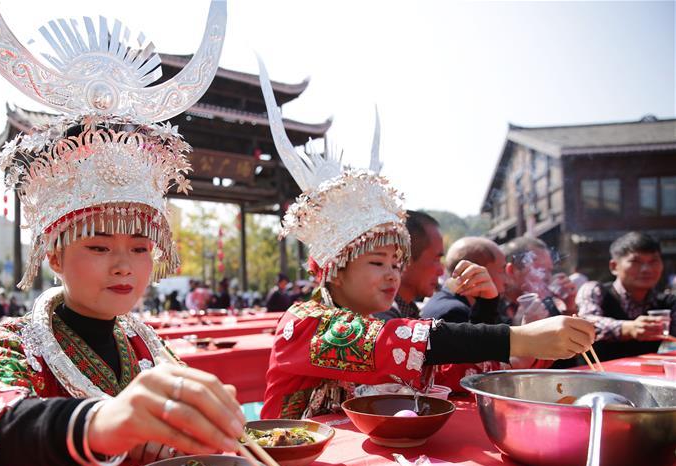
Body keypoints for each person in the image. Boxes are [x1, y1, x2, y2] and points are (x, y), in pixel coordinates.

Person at [0, 0, 238, 466]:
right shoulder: (19, 344)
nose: (125, 264)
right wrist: (101, 424)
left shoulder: (147, 344)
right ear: (55, 255)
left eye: (140, 246)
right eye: (101, 247)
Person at [255, 59, 595, 419]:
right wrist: (518, 337)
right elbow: (397, 343)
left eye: (396, 264)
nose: (391, 274)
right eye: (377, 262)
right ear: (333, 270)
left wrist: (485, 306)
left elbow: (457, 378)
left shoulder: (391, 319)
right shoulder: (304, 324)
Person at [577, 232, 675, 361]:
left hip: (645, 377)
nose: (646, 269)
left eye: (653, 261)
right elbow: (585, 324)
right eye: (636, 262)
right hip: (597, 376)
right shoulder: (595, 290)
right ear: (614, 266)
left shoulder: (667, 302)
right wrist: (628, 328)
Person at [376, 211, 444, 320]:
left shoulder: (408, 311)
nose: (441, 271)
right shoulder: (382, 318)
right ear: (405, 258)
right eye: (436, 259)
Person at [421, 237, 505, 324]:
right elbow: (487, 337)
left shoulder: (443, 300)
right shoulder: (455, 314)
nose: (506, 280)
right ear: (475, 271)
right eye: (502, 270)